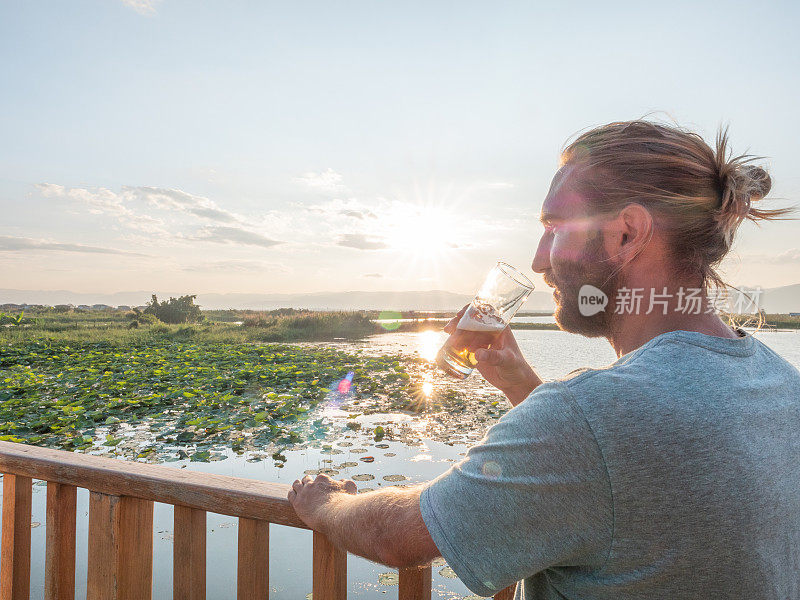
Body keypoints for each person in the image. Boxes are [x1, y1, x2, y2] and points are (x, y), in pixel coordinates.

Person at [288, 120, 800, 599]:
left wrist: (326, 502)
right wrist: (519, 382)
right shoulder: (784, 385)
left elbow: (398, 537)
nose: (538, 260)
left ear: (627, 233)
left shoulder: (589, 414)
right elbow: (625, 475)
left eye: (555, 228)